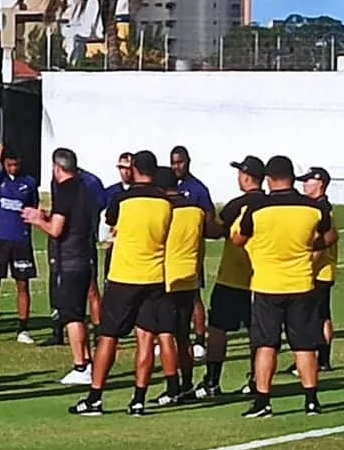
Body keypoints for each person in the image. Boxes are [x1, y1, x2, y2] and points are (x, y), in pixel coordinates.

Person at [230, 155, 337, 419]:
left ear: (268, 178)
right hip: (301, 282)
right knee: (304, 345)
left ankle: (263, 401)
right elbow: (331, 235)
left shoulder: (257, 209)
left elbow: (238, 239)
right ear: (292, 177)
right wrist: (311, 246)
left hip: (267, 284)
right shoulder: (312, 208)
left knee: (266, 344)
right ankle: (312, 400)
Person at [68, 151, 173, 418]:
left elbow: (111, 221)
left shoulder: (123, 198)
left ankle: (95, 396)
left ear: (135, 169)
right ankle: (138, 399)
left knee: (108, 337)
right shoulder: (166, 202)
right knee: (146, 339)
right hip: (154, 277)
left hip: (124, 276)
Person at [22, 148, 101, 384]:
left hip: (70, 260)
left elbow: (57, 230)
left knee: (72, 316)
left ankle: (80, 366)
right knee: (78, 312)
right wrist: (47, 215)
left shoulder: (64, 191)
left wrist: (37, 220)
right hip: (85, 256)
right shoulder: (85, 188)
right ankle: (86, 361)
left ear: (57, 168)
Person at [199, 156, 266, 399]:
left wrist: (204, 219)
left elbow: (216, 231)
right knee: (257, 333)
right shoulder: (268, 203)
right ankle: (257, 379)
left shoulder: (238, 205)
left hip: (231, 278)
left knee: (217, 330)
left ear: (247, 177)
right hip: (261, 280)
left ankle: (212, 382)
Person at [0, 143, 41, 344]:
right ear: (4, 163)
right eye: (9, 164)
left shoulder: (29, 182)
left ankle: (23, 329)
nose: (13, 168)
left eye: (16, 165)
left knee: (23, 285)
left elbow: (33, 207)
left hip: (20, 240)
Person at [157, 165, 210, 403]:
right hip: (189, 277)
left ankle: (172, 387)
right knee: (183, 336)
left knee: (165, 335)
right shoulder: (196, 211)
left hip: (167, 277)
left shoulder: (164, 211)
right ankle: (187, 383)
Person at [169, 144, 214, 356]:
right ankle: (171, 335)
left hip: (191, 250)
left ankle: (199, 338)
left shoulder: (198, 189)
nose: (176, 166)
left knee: (194, 294)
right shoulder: (167, 185)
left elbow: (209, 218)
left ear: (188, 162)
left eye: (180, 162)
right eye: (173, 162)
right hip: (171, 252)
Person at [300, 165, 338, 369]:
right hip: (322, 269)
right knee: (320, 314)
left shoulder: (322, 208)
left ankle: (320, 359)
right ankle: (319, 358)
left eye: (308, 181)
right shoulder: (320, 206)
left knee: (318, 315)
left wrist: (308, 266)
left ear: (320, 184)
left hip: (320, 270)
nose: (305, 185)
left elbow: (323, 242)